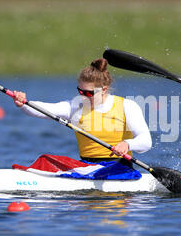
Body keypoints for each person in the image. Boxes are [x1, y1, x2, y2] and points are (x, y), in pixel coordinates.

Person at [12, 58, 152, 177]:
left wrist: (127, 144)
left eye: (89, 93)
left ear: (103, 89)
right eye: (80, 91)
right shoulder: (76, 106)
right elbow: (43, 110)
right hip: (87, 167)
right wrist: (23, 103)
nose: (83, 96)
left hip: (118, 168)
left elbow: (146, 141)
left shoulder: (127, 106)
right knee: (45, 160)